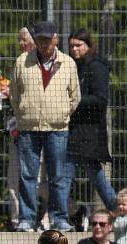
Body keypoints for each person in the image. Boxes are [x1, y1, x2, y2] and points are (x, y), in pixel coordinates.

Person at [9, 21, 80, 232]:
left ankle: (59, 219)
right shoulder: (22, 62)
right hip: (29, 127)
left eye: (47, 39)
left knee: (58, 176)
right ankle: (27, 219)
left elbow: (75, 97)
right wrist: (23, 113)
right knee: (27, 176)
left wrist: (62, 114)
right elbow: (14, 94)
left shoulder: (68, 63)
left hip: (57, 129)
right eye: (40, 39)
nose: (44, 43)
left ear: (55, 39)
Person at [63, 29, 116, 212]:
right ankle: (116, 208)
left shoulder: (96, 66)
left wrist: (72, 101)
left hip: (90, 131)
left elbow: (101, 100)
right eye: (71, 46)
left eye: (79, 45)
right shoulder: (74, 66)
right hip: (75, 129)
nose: (75, 49)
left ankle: (60, 215)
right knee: (90, 174)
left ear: (88, 45)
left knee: (70, 175)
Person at [3, 27, 49, 229]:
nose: (21, 44)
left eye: (25, 39)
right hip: (17, 131)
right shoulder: (17, 64)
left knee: (37, 181)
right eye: (19, 40)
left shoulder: (45, 64)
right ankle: (16, 220)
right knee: (13, 179)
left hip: (39, 132)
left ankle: (68, 210)